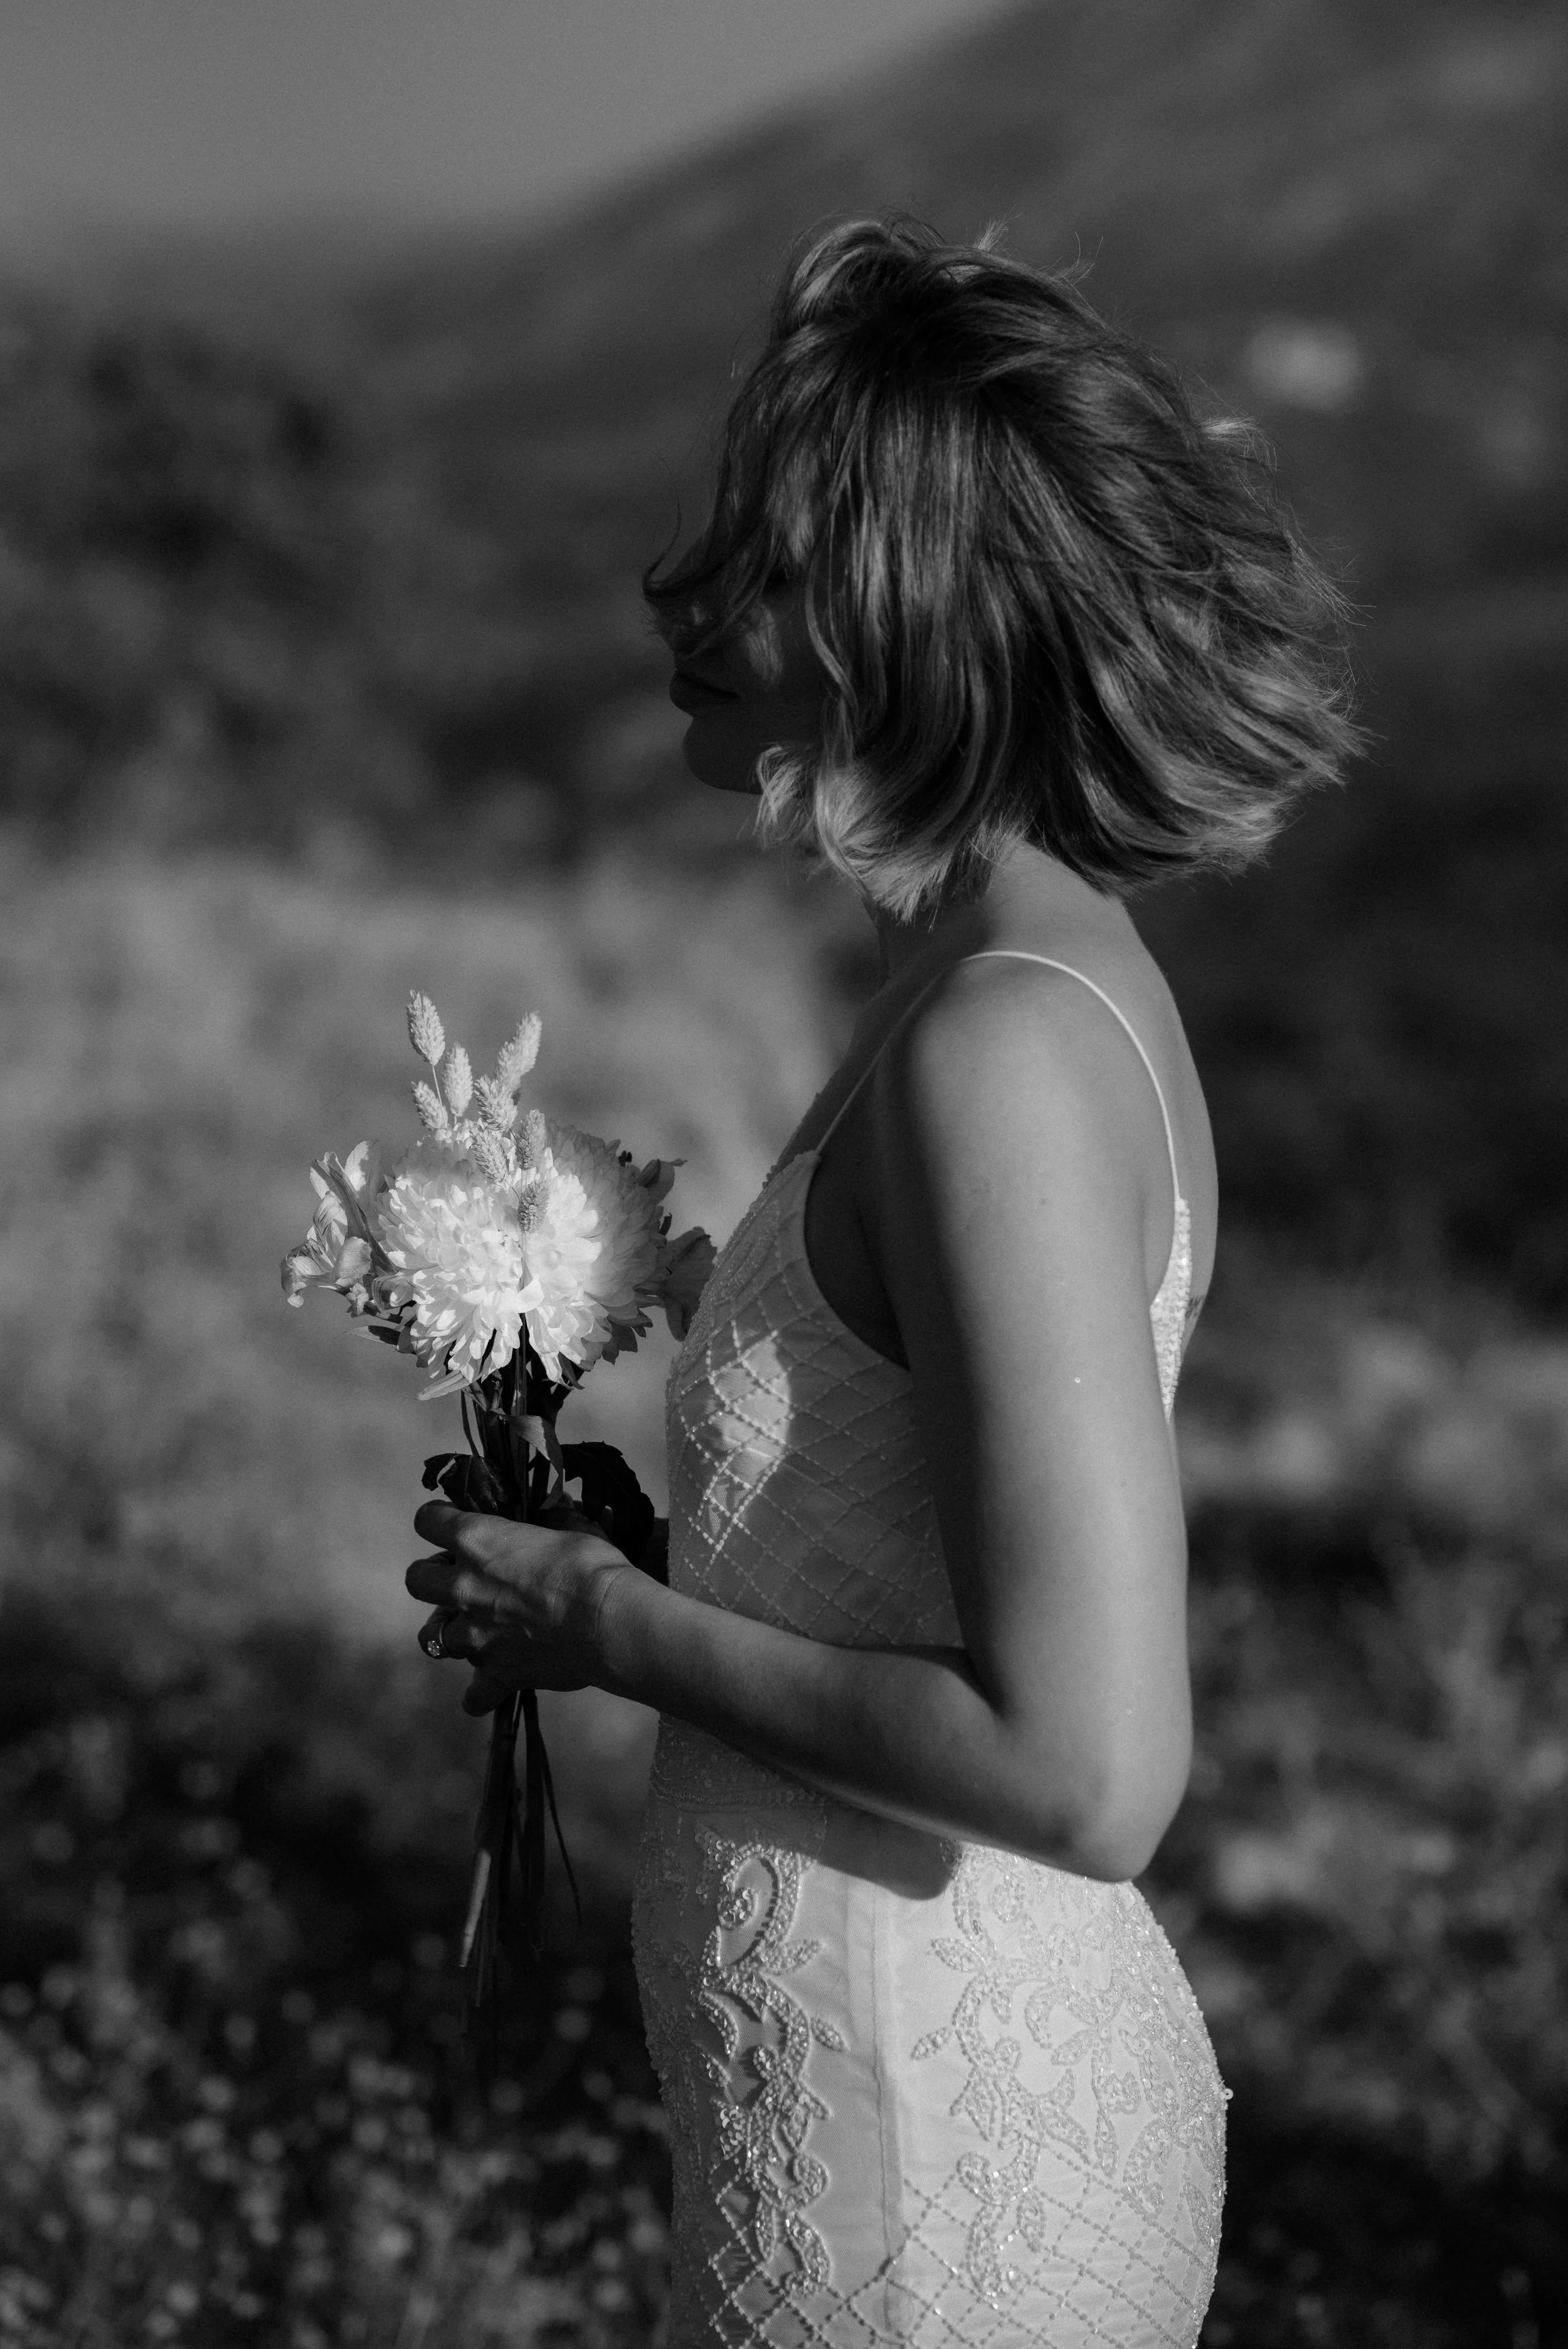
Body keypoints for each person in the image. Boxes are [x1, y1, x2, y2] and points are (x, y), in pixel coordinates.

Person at [405, 219, 1358, 2346]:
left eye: (758, 549)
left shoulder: (1002, 1044)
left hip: (938, 2162)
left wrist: (612, 1626)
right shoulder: (985, 998)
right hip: (856, 2114)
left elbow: (1087, 1771)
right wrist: (654, 1568)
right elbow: (927, 1564)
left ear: (905, 612)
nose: (684, 596)